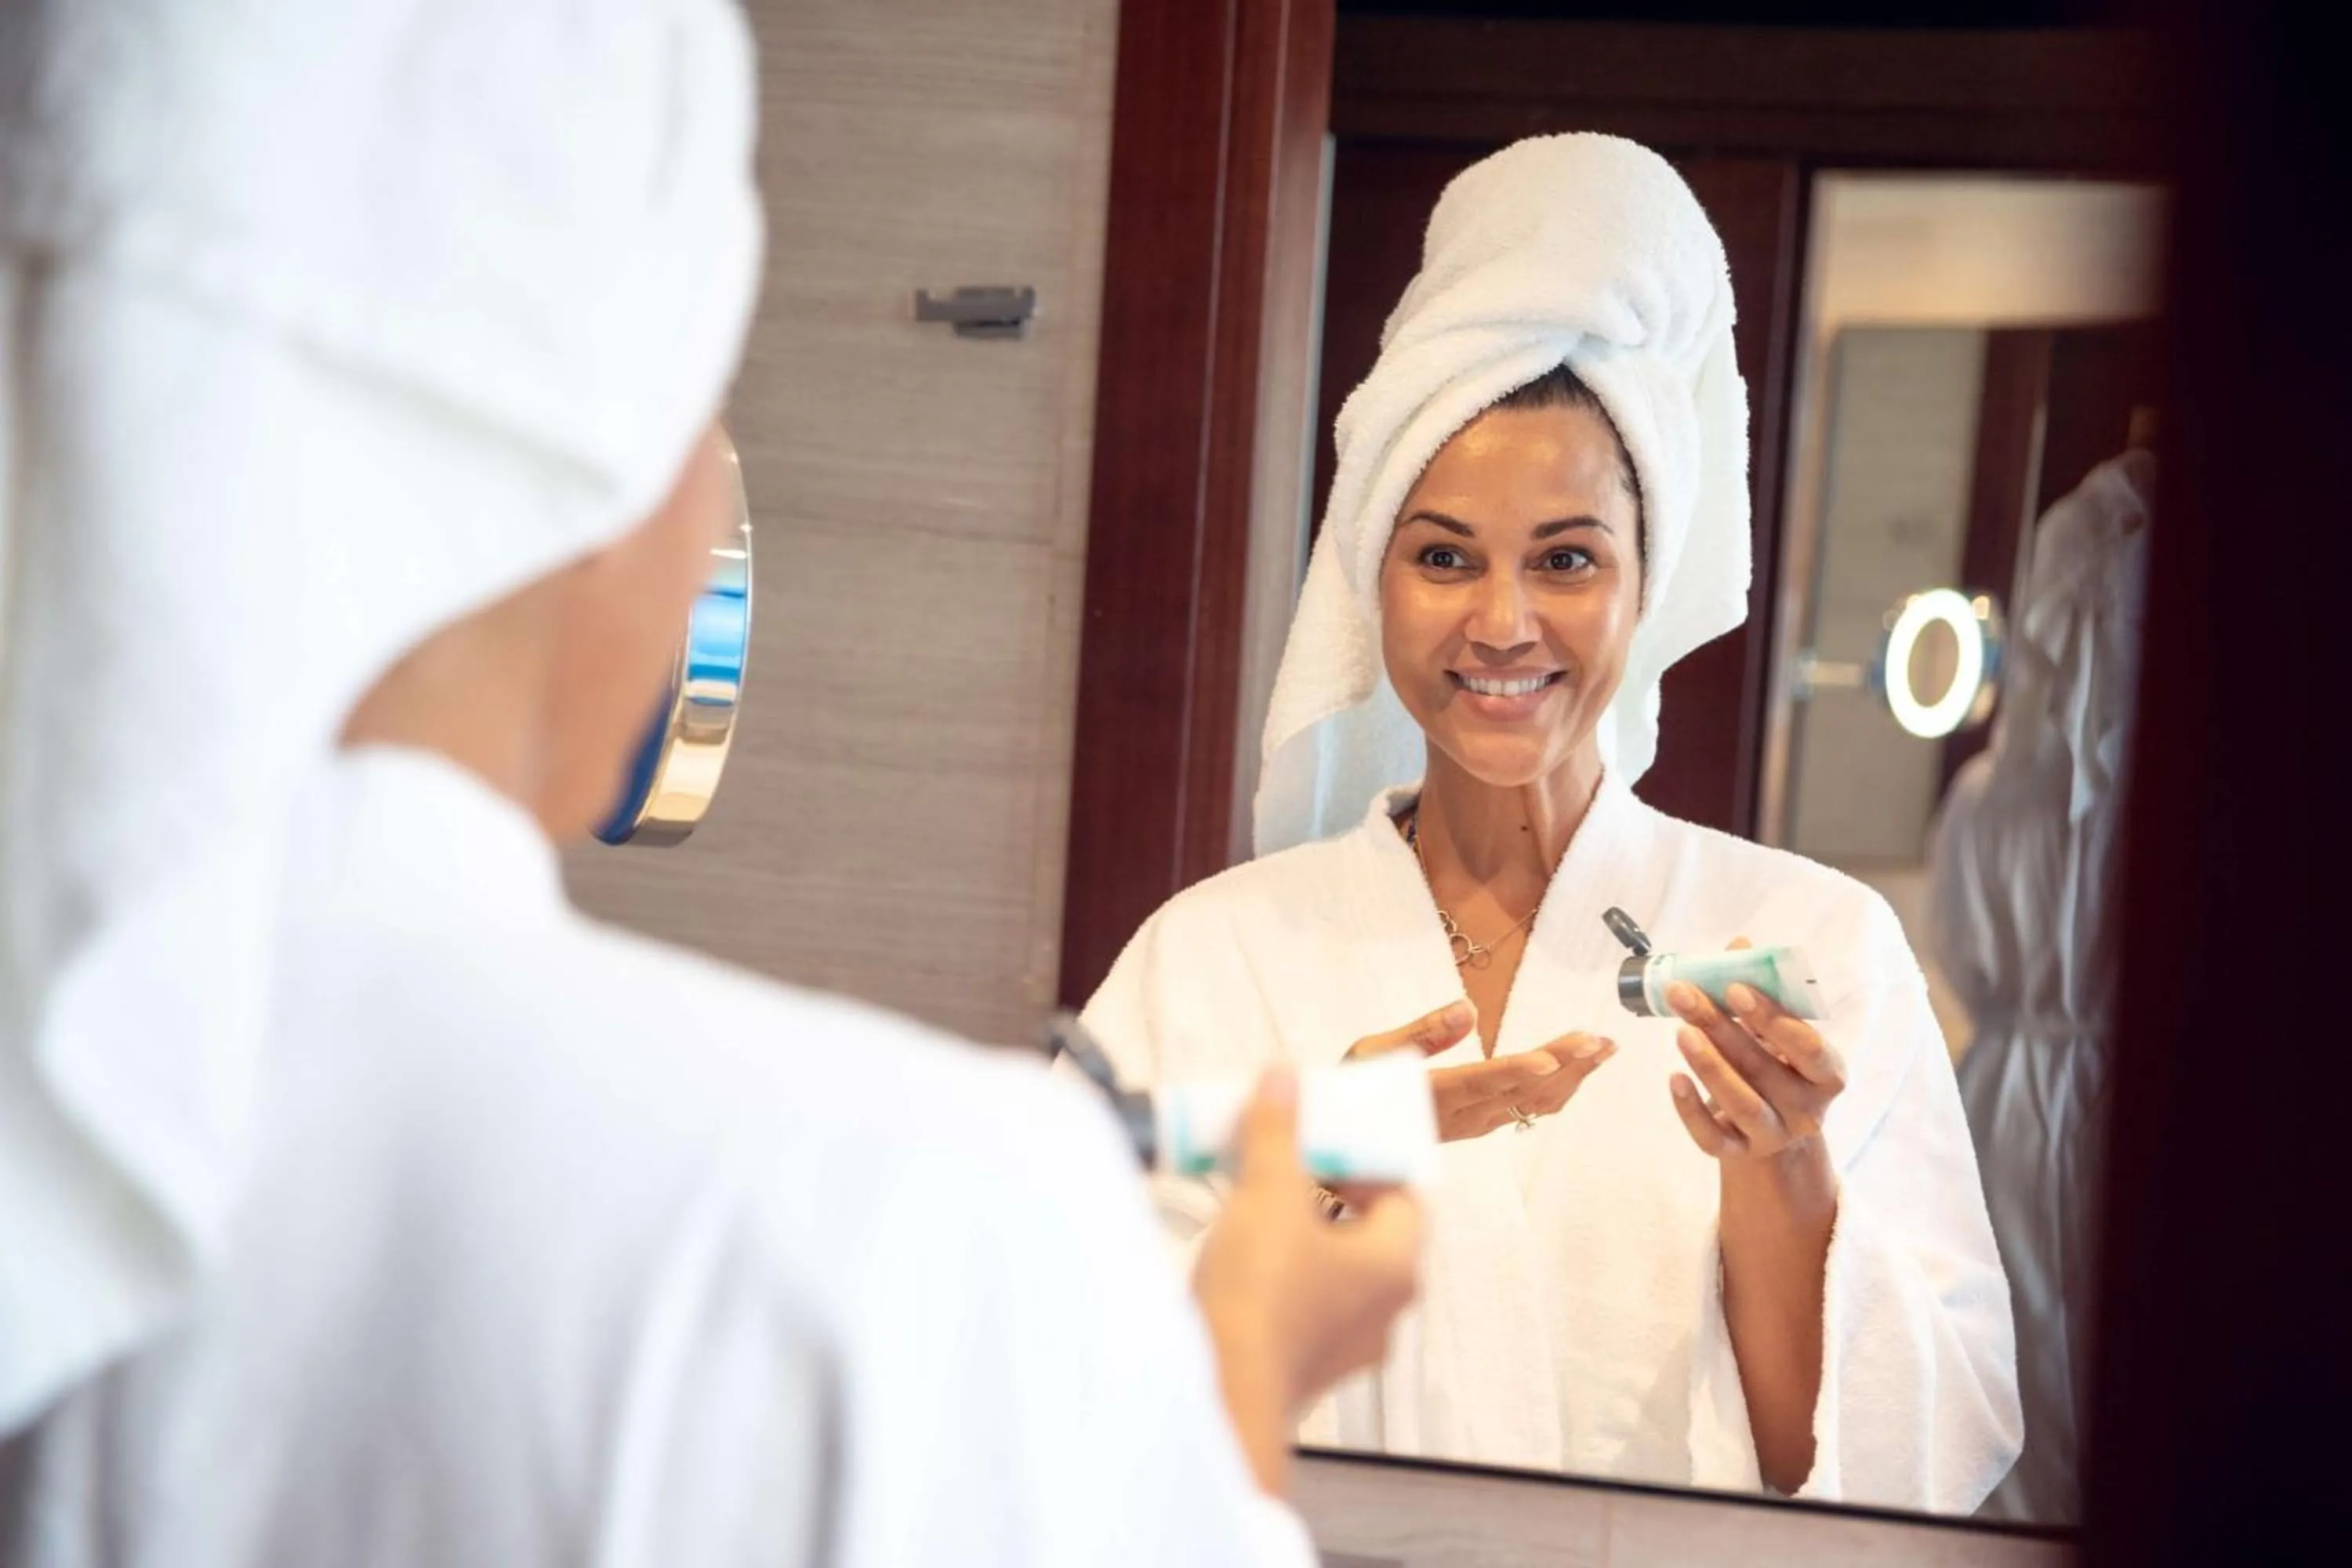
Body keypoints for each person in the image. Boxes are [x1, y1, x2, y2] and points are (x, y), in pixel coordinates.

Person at [0, 4, 1419, 1564]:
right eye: (708, 414)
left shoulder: (62, 1125)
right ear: (594, 479)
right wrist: (1245, 1368)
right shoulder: (903, 1220)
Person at [1081, 134, 2023, 1512]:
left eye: (1567, 559)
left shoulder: (1819, 944)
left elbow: (1905, 1468)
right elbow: (1063, 1380)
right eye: (1443, 556)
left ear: (1645, 582)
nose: (1503, 623)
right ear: (1373, 578)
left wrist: (1786, 1175)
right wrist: (1323, 1171)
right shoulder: (1213, 956)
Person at [1926, 437, 2155, 1526]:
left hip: (2001, 1104)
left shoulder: (1984, 795)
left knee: (2006, 1370)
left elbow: (1961, 958)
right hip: (2123, 1107)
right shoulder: (2180, 807)